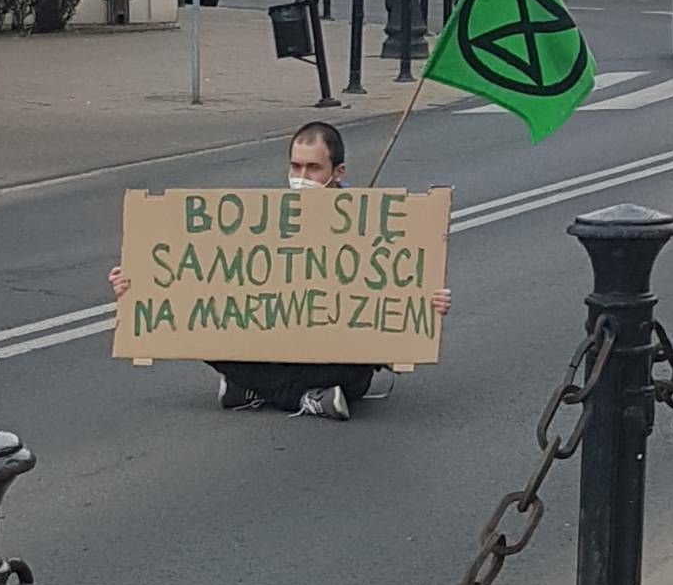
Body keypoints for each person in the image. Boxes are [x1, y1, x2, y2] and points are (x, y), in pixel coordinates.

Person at [108, 122, 453, 422]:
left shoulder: (370, 226)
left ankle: (252, 389)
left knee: (357, 374)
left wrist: (427, 303)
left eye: (313, 168)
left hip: (331, 354)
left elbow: (394, 306)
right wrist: (138, 282)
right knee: (203, 330)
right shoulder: (266, 219)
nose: (301, 178)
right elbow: (201, 281)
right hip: (272, 349)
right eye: (296, 167)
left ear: (338, 172)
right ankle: (304, 398)